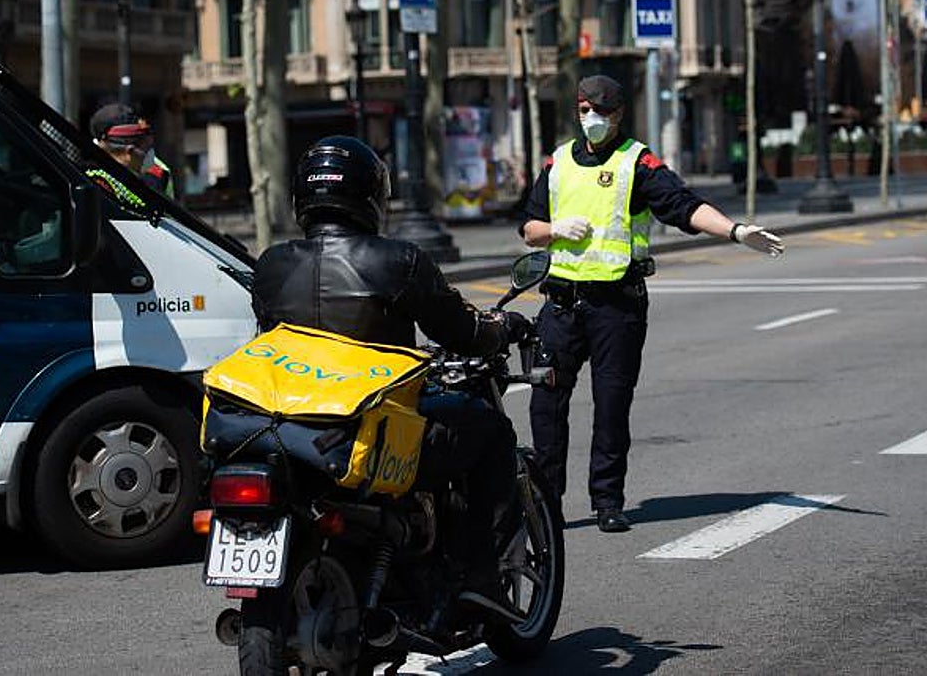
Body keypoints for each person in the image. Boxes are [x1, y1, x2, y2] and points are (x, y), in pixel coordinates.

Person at [251, 135, 529, 623]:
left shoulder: (271, 264)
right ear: (371, 195)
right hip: (372, 428)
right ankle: (481, 577)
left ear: (300, 196)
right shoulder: (398, 259)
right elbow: (461, 332)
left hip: (292, 425)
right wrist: (501, 328)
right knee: (490, 430)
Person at [517, 75, 785, 534]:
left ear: (619, 114)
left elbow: (683, 206)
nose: (591, 118)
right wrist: (558, 228)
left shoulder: (636, 163)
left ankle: (607, 502)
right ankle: (547, 506)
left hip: (616, 308)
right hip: (561, 305)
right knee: (545, 407)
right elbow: (530, 228)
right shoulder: (558, 161)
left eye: (600, 110)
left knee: (611, 407)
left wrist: (736, 231)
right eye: (583, 109)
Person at [89, 103, 175, 198]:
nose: (150, 157)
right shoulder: (92, 180)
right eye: (146, 150)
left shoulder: (159, 174)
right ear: (128, 154)